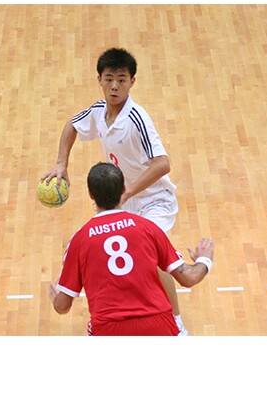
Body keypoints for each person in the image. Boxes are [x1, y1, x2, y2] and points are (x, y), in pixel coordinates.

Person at [41, 48, 191, 334]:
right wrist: (61, 163)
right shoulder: (99, 112)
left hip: (153, 199)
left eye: (121, 80)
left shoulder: (137, 119)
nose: (114, 86)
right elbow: (72, 126)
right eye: (109, 79)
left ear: (132, 82)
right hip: (126, 200)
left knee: (156, 258)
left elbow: (163, 164)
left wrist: (128, 192)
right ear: (99, 79)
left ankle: (177, 324)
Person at [49, 162, 214, 335]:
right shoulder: (149, 229)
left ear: (91, 195)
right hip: (159, 326)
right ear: (123, 190)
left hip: (109, 330)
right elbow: (189, 278)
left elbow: (62, 306)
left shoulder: (80, 239)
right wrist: (204, 260)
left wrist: (56, 299)